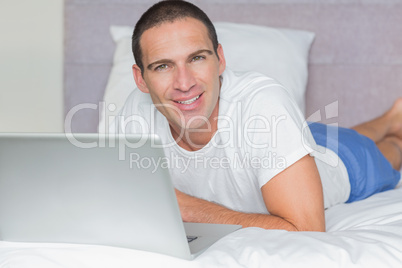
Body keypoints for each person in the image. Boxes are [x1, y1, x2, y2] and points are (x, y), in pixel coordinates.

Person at [110, 0, 402, 232]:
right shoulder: (136, 111)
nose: (184, 83)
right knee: (328, 135)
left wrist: (186, 209)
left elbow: (306, 229)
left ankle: (394, 130)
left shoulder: (264, 105)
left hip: (341, 164)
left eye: (196, 57)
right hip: (281, 139)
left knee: (379, 150)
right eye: (163, 66)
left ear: (220, 58)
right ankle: (389, 117)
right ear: (140, 78)